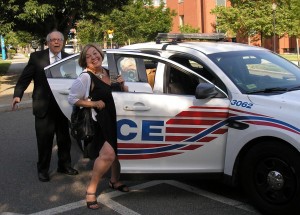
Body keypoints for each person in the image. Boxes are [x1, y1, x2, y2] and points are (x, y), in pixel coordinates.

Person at [68, 43, 129, 210]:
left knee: (116, 151)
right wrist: (94, 102)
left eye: (95, 53)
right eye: (89, 56)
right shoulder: (86, 77)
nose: (94, 57)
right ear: (84, 61)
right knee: (108, 155)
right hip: (100, 121)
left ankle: (114, 181)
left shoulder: (109, 72)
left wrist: (123, 85)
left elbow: (119, 94)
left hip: (116, 117)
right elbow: (72, 99)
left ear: (101, 54)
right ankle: (91, 190)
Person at [11, 30, 78, 182]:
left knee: (64, 139)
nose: (56, 42)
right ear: (48, 42)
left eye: (59, 40)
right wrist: (17, 94)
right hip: (43, 106)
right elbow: (25, 78)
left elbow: (75, 80)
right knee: (44, 141)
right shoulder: (37, 57)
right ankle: (43, 170)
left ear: (63, 42)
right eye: (53, 40)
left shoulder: (69, 59)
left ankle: (64, 165)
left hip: (63, 106)